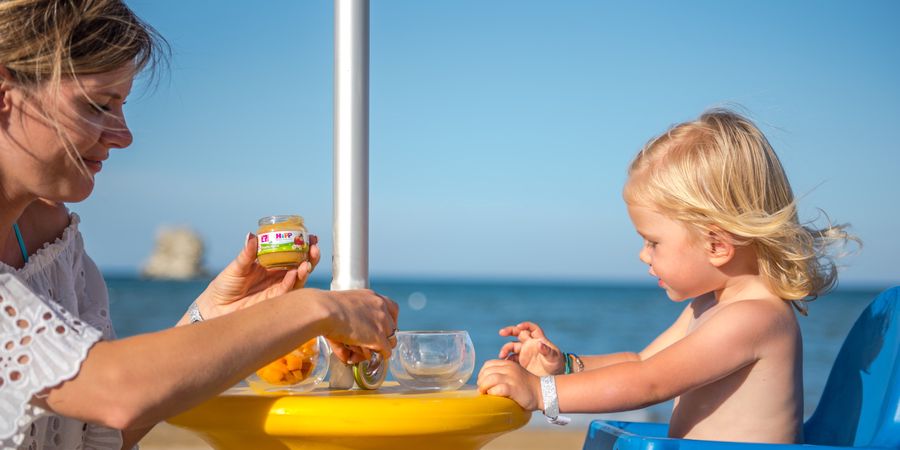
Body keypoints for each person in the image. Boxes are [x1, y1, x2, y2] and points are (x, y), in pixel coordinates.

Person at [0, 1, 398, 449]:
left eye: (122, 105)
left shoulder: (54, 248)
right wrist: (317, 310)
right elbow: (114, 392)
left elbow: (99, 432)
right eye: (97, 105)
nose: (124, 134)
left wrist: (216, 318)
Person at [477, 109, 858, 444]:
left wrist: (540, 392)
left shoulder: (755, 317)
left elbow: (649, 382)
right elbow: (639, 360)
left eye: (653, 241)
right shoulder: (709, 305)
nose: (643, 254)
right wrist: (565, 366)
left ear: (716, 244)